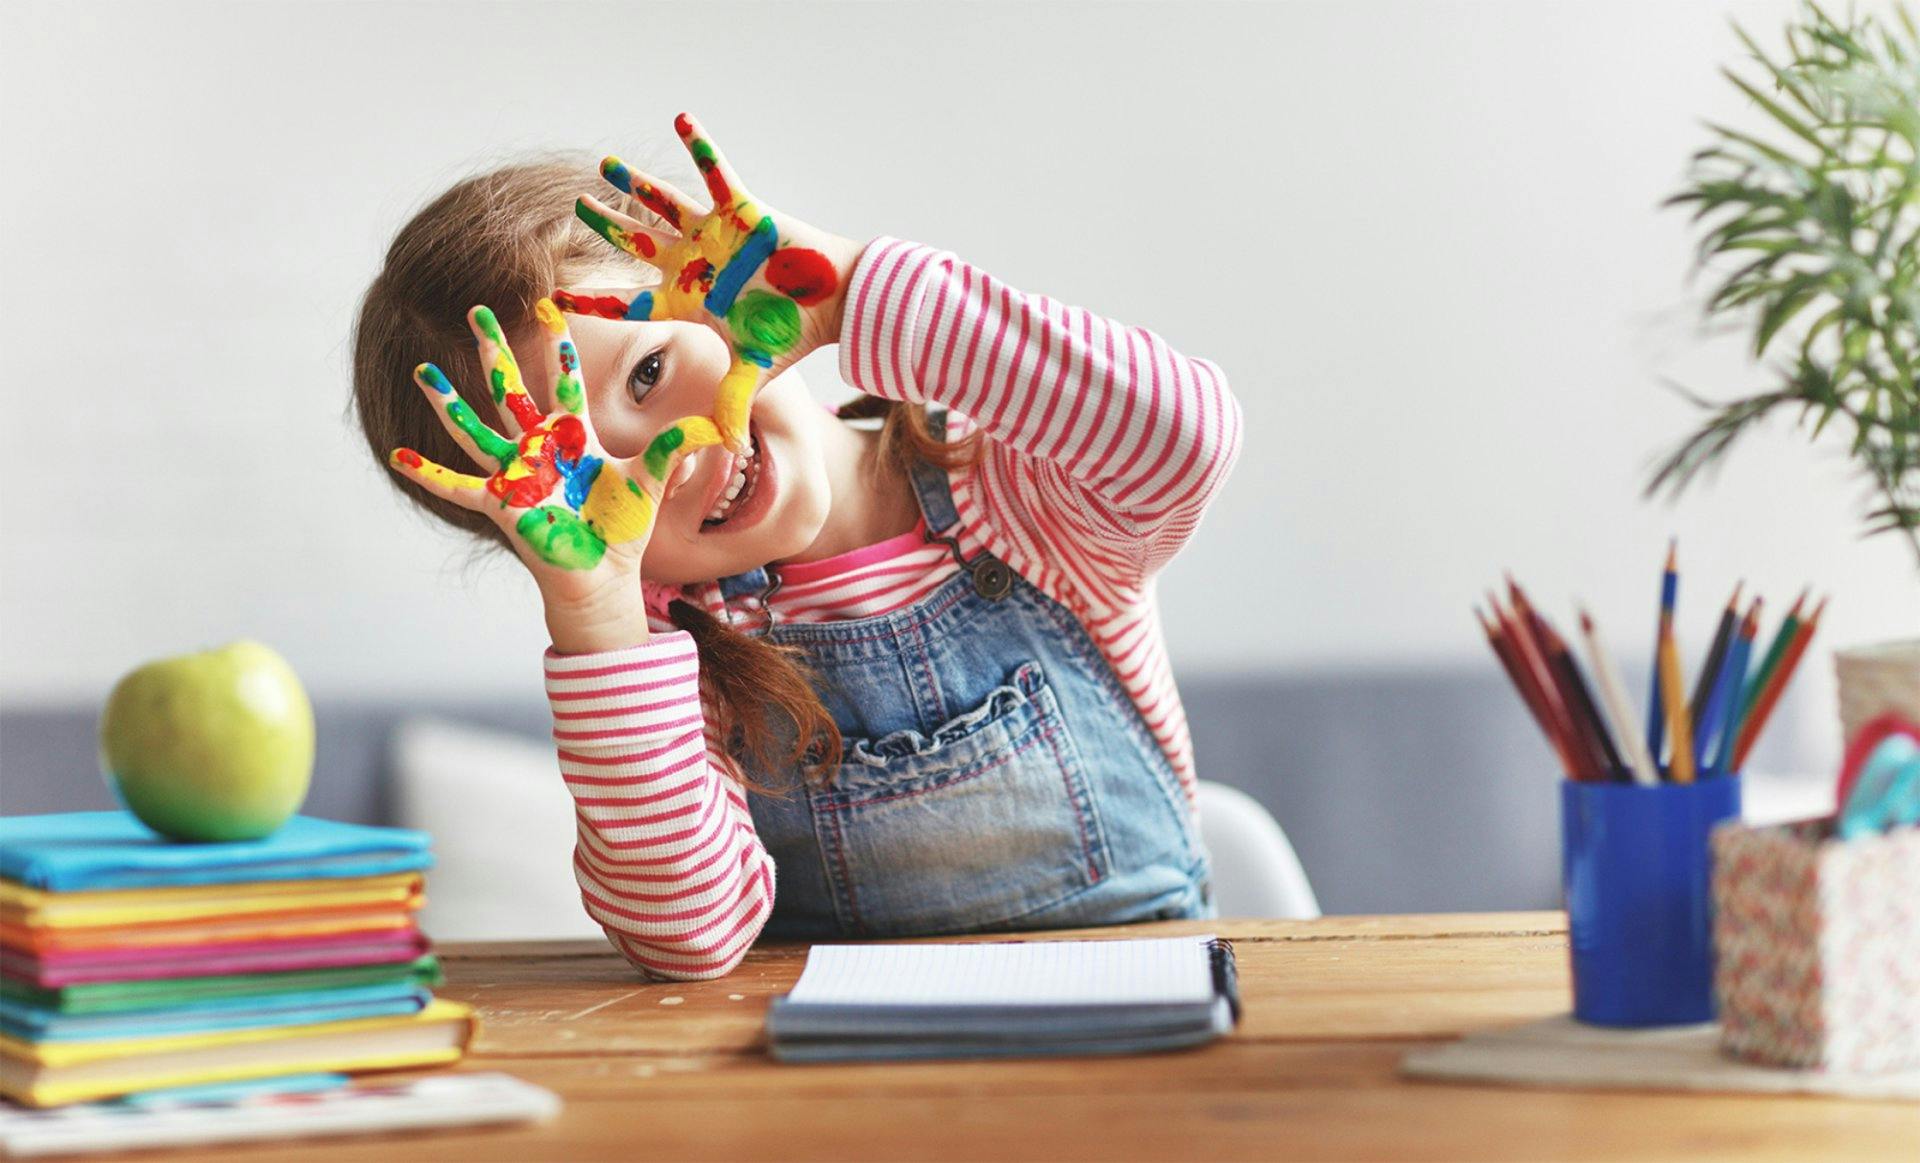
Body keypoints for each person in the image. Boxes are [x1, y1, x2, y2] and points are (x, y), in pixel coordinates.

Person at [352, 114, 1243, 980]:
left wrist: (848, 289)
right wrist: (598, 616)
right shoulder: (668, 649)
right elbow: (688, 937)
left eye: (648, 372)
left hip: (1148, 1008)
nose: (670, 459)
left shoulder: (1014, 489)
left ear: (722, 290)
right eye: (579, 478)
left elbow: (1183, 440)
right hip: (849, 1063)